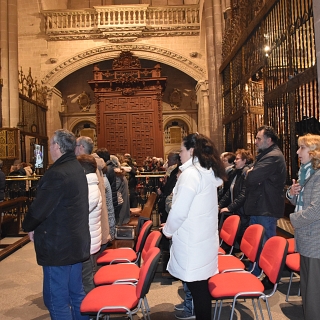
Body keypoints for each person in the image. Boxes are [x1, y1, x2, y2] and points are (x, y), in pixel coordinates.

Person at [22, 129, 90, 320]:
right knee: (76, 294)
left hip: (59, 246)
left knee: (56, 299)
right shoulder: (76, 168)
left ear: (58, 146)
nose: (50, 148)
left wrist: (28, 225)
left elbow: (40, 208)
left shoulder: (57, 173)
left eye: (51, 144)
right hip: (76, 242)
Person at [162, 133, 226, 320]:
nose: (180, 154)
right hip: (202, 239)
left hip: (192, 242)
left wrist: (168, 230)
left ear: (191, 151)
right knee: (201, 289)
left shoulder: (191, 174)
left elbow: (180, 210)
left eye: (182, 150)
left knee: (199, 290)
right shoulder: (206, 172)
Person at [244, 125, 286, 275]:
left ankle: (269, 275)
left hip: (266, 208)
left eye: (258, 138)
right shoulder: (265, 155)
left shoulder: (273, 156)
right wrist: (251, 172)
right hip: (260, 206)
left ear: (269, 140)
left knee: (267, 244)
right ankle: (255, 272)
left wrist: (250, 172)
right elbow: (252, 176)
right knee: (256, 243)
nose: (255, 141)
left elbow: (252, 177)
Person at [288, 134, 320, 320]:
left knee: (313, 290)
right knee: (308, 286)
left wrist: (292, 219)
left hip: (315, 239)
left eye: (302, 148)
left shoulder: (318, 176)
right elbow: (298, 199)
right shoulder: (306, 172)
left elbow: (316, 210)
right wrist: (291, 193)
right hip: (307, 237)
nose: (298, 152)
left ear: (313, 151)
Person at [75, 136, 111, 245]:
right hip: (98, 221)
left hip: (92, 222)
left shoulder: (87, 165)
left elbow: (89, 199)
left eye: (75, 146)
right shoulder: (95, 162)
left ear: (81, 147)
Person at [77, 154, 102, 294]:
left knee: (87, 280)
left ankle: (91, 312)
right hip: (89, 238)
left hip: (88, 240)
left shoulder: (91, 189)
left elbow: (78, 212)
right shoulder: (88, 186)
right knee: (87, 276)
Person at [219, 149, 253, 248]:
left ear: (244, 161)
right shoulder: (236, 172)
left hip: (243, 210)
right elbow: (229, 192)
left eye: (237, 159)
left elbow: (243, 194)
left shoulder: (245, 173)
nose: (235, 161)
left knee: (242, 236)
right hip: (237, 209)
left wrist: (230, 208)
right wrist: (220, 204)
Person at [157, 152, 181, 223]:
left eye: (169, 160)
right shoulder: (173, 171)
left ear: (176, 161)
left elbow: (171, 189)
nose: (168, 162)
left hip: (170, 204)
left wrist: (163, 194)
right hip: (167, 201)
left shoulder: (177, 171)